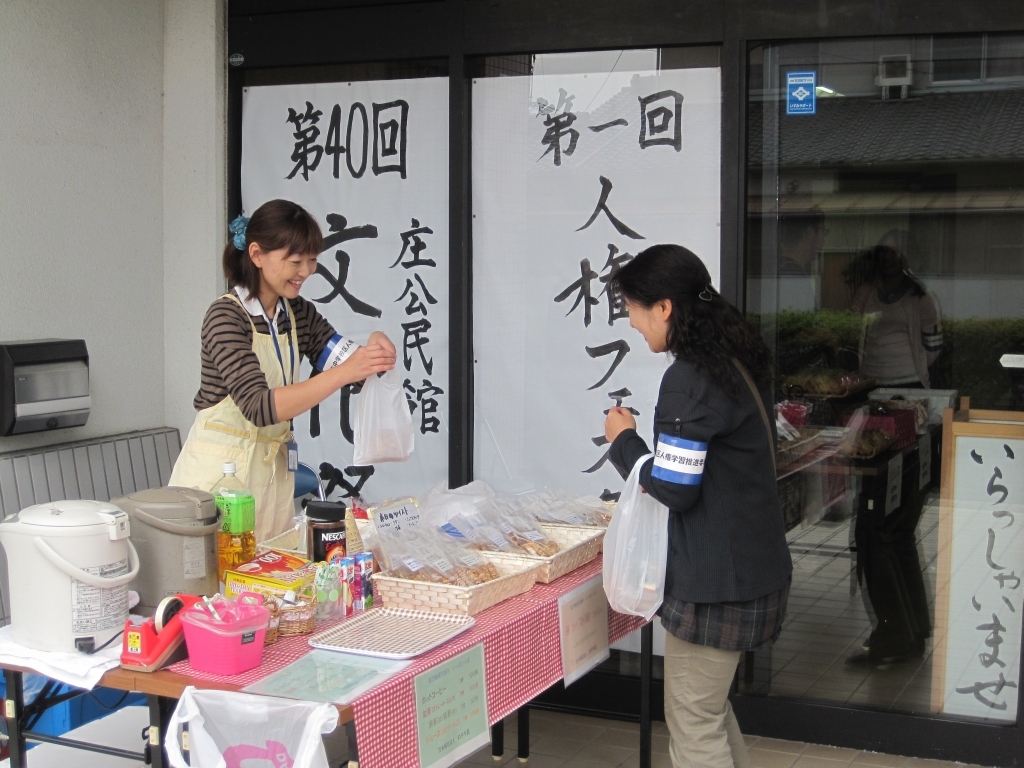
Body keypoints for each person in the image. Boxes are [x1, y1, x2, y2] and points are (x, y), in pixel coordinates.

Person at [604, 244, 792, 768]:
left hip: (718, 587)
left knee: (693, 721)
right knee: (707, 712)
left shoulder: (690, 378)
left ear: (664, 307)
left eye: (633, 309)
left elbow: (674, 488)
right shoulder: (735, 357)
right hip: (752, 570)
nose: (631, 321)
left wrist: (624, 442)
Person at [169, 199, 396, 542]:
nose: (306, 271)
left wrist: (375, 348)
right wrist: (345, 371)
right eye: (295, 261)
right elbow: (260, 407)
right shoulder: (225, 317)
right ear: (257, 255)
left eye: (312, 260)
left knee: (269, 569)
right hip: (219, 482)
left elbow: (346, 361)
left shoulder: (297, 313)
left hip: (271, 480)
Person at [849, 235, 942, 387]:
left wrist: (908, 365)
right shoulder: (865, 292)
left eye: (894, 252)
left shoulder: (921, 296)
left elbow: (933, 347)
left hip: (910, 382)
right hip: (869, 381)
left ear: (906, 256)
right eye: (883, 251)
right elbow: (851, 332)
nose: (887, 257)